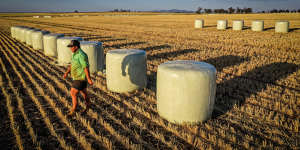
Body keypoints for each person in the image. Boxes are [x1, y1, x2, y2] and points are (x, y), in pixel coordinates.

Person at [63, 40, 93, 116]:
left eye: (71, 47)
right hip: (76, 77)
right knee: (84, 93)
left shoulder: (81, 55)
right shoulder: (74, 54)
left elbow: (85, 67)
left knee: (73, 93)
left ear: (76, 47)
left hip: (80, 77)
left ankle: (73, 110)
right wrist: (67, 72)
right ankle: (88, 105)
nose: (70, 48)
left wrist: (89, 79)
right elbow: (72, 64)